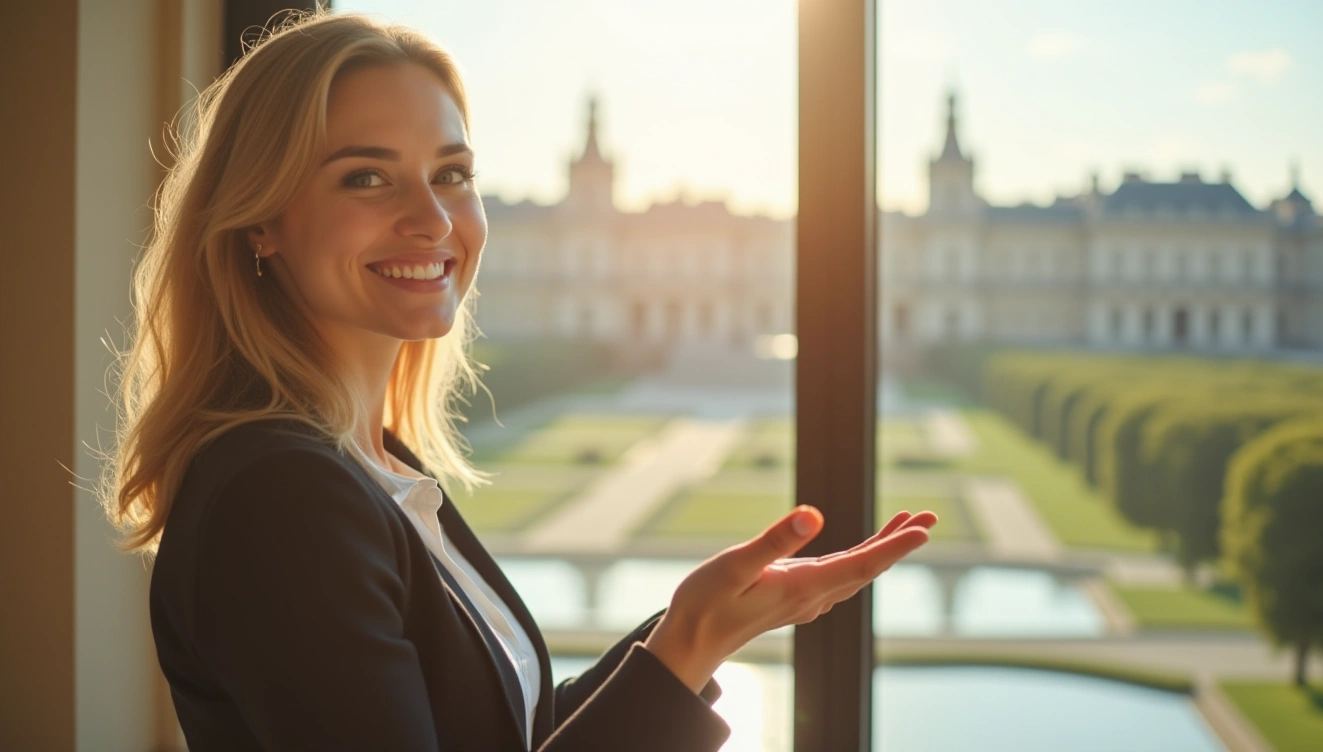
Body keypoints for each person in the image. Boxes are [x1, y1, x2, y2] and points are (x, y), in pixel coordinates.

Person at [95, 9, 936, 751]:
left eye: (453, 174)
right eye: (366, 176)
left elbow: (505, 733)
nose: (431, 219)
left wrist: (693, 631)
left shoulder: (374, 466)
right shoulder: (282, 494)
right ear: (260, 222)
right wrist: (683, 650)